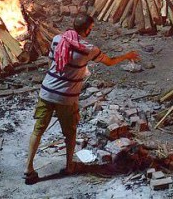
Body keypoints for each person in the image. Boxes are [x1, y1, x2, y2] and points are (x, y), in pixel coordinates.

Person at [24, 13, 140, 184]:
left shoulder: (57, 39)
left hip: (46, 92)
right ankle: (69, 166)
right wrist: (127, 56)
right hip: (67, 98)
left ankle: (28, 170)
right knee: (70, 133)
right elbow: (109, 62)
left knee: (38, 130)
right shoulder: (89, 49)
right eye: (91, 28)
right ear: (87, 29)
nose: (91, 31)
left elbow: (52, 63)